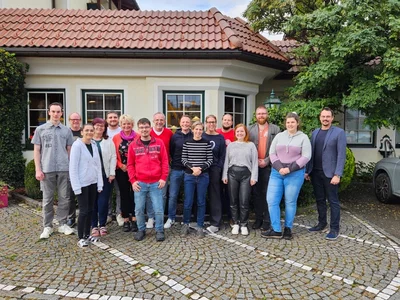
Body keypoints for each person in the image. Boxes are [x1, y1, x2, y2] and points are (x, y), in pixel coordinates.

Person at [262, 112, 311, 240]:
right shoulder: (279, 136)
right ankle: (276, 229)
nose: (290, 124)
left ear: (297, 123)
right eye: (288, 122)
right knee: (271, 200)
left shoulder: (303, 138)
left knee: (290, 201)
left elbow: (306, 156)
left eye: (292, 122)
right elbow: (272, 153)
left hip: (295, 173)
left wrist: (289, 169)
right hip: (277, 173)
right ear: (285, 123)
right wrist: (280, 168)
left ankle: (288, 229)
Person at [32, 102, 75, 239]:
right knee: (47, 199)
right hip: (47, 169)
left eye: (58, 112)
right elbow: (37, 150)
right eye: (53, 111)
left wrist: (71, 169)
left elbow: (69, 150)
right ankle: (47, 226)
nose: (56, 114)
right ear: (49, 112)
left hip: (64, 168)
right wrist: (38, 169)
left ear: (62, 113)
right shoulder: (41, 130)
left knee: (64, 198)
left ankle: (62, 224)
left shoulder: (66, 131)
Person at [306, 107, 347, 240]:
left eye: (328, 116)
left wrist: (337, 174)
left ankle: (334, 228)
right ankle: (322, 223)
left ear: (332, 118)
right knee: (319, 200)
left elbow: (341, 155)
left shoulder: (339, 133)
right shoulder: (315, 132)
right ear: (320, 117)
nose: (325, 119)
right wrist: (308, 171)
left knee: (333, 201)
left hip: (330, 174)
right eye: (323, 116)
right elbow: (311, 153)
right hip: (315, 172)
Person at [127, 118, 169, 242]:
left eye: (146, 127)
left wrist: (163, 178)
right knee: (139, 209)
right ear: (138, 129)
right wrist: (133, 181)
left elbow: (165, 161)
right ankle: (141, 229)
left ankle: (160, 230)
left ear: (150, 128)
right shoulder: (133, 145)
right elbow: (130, 165)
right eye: (141, 127)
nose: (144, 130)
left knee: (158, 208)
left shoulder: (159, 143)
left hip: (156, 182)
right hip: (140, 183)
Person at [69, 123, 103, 247]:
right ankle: (81, 237)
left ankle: (88, 234)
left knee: (90, 210)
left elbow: (98, 166)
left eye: (91, 130)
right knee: (83, 211)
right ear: (82, 132)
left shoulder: (93, 145)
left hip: (92, 182)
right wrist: (76, 187)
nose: (89, 132)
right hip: (82, 184)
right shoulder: (77, 146)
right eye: (87, 130)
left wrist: (100, 184)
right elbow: (72, 168)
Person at [248, 106, 280, 231]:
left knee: (268, 194)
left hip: (269, 166)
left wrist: (266, 160)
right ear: (255, 115)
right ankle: (258, 219)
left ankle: (267, 220)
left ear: (267, 114)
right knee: (256, 194)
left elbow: (278, 148)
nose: (261, 115)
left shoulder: (275, 129)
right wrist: (256, 161)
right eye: (259, 114)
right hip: (254, 167)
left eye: (263, 113)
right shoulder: (250, 129)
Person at [222, 124, 258, 235]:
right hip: (232, 173)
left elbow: (255, 162)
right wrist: (224, 175)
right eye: (237, 132)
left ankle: (244, 224)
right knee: (233, 200)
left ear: (245, 133)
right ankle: (236, 223)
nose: (239, 134)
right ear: (235, 133)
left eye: (242, 131)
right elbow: (226, 162)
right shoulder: (231, 146)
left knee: (244, 200)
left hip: (246, 174)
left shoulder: (251, 145)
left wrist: (254, 177)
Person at [181, 121, 213, 238]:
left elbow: (210, 159)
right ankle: (185, 224)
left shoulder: (206, 143)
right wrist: (192, 168)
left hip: (203, 176)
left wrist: (201, 168)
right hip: (189, 175)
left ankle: (200, 226)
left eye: (200, 129)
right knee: (188, 202)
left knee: (201, 201)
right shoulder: (187, 143)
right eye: (197, 129)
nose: (198, 131)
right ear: (192, 130)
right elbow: (183, 159)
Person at [164, 115, 193, 229]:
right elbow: (171, 151)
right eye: (183, 122)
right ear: (180, 123)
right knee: (173, 195)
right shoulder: (175, 136)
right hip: (176, 169)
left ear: (190, 124)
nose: (185, 124)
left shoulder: (193, 135)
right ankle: (171, 218)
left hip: (189, 170)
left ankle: (186, 220)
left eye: (187, 122)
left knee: (188, 196)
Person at [145, 112, 173, 229]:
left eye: (161, 120)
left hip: (164, 167)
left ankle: (159, 217)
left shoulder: (169, 133)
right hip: (149, 168)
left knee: (162, 193)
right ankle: (151, 217)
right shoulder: (148, 132)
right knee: (149, 194)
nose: (159, 122)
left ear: (164, 121)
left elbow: (172, 149)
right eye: (157, 120)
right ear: (153, 121)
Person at [90, 118, 117, 238]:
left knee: (103, 202)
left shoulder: (108, 141)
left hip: (105, 176)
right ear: (93, 127)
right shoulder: (87, 141)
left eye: (102, 126)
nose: (99, 128)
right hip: (90, 177)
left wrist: (112, 173)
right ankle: (93, 225)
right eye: (97, 125)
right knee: (92, 201)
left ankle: (102, 224)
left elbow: (113, 157)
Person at [113, 114, 138, 233]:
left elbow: (140, 153)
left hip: (136, 170)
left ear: (132, 125)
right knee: (124, 195)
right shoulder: (116, 138)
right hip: (122, 170)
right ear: (121, 125)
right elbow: (114, 155)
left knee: (135, 195)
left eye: (128, 123)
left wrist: (133, 166)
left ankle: (134, 218)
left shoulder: (137, 137)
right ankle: (126, 219)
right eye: (124, 124)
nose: (126, 126)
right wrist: (120, 165)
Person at [203, 115, 226, 233]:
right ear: (205, 123)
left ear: (216, 123)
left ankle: (215, 222)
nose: (211, 124)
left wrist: (218, 168)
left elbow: (223, 156)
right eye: (209, 122)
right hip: (201, 169)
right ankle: (198, 220)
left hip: (214, 169)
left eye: (213, 122)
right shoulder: (201, 135)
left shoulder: (220, 138)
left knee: (215, 195)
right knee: (200, 195)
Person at [216, 113, 235, 225]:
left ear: (232, 122)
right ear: (222, 121)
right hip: (218, 167)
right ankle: (219, 216)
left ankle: (230, 216)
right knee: (217, 193)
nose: (227, 122)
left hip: (231, 167)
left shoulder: (235, 133)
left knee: (230, 194)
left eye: (229, 120)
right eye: (225, 120)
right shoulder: (217, 133)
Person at [106, 111, 123, 226]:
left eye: (115, 117)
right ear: (107, 119)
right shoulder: (104, 131)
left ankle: (119, 214)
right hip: (106, 166)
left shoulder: (122, 131)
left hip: (119, 167)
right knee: (107, 192)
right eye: (110, 117)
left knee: (119, 192)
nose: (113, 119)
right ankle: (108, 214)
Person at [67, 112, 82, 227]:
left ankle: (83, 216)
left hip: (83, 168)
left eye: (77, 119)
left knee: (84, 194)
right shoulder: (66, 133)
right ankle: (71, 217)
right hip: (69, 167)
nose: (75, 121)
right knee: (70, 195)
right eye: (73, 119)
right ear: (69, 120)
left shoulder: (84, 132)